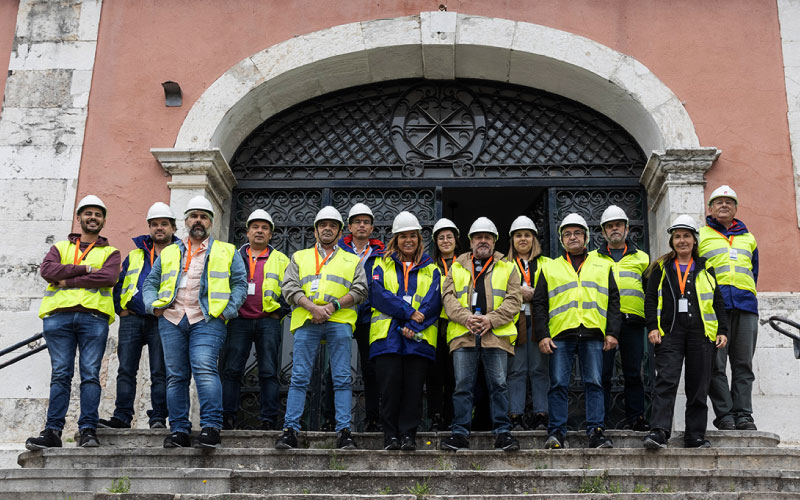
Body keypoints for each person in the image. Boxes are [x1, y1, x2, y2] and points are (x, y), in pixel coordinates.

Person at [143, 195, 248, 449]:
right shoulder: (169, 251)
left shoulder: (227, 250)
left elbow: (240, 284)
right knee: (176, 376)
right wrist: (153, 307)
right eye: (194, 216)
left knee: (204, 369)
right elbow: (150, 283)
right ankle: (179, 430)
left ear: (210, 222)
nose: (198, 221)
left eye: (203, 216)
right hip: (172, 318)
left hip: (207, 319)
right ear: (186, 221)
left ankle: (211, 427)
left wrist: (227, 311)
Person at [26, 195, 121, 450]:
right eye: (88, 213)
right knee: (60, 375)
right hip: (58, 317)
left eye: (98, 214)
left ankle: (87, 430)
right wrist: (85, 270)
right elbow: (47, 271)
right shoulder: (59, 247)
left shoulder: (111, 252)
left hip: (94, 318)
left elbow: (109, 277)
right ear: (78, 218)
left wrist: (67, 279)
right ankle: (53, 432)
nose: (93, 218)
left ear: (103, 221)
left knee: (90, 375)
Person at [275, 206, 368, 450]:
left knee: (342, 378)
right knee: (299, 377)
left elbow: (360, 290)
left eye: (333, 225)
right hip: (307, 321)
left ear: (339, 232)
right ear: (315, 230)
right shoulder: (299, 257)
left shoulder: (352, 259)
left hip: (338, 322)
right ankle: (290, 430)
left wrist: (331, 307)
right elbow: (289, 288)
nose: (327, 228)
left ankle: (344, 432)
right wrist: (313, 308)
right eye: (323, 225)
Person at [533, 213, 620, 450]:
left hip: (593, 333)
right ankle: (557, 432)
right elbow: (539, 304)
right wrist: (542, 335)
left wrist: (612, 332)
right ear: (562, 240)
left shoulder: (603, 265)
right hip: (561, 334)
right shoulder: (549, 267)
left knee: (594, 382)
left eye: (577, 233)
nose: (573, 237)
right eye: (568, 234)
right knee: (558, 383)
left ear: (586, 237)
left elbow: (614, 301)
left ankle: (596, 431)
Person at [643, 215, 729, 449]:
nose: (682, 241)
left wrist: (722, 329)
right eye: (677, 237)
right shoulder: (661, 267)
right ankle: (659, 431)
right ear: (672, 241)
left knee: (699, 385)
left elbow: (717, 301)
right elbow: (650, 299)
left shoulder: (705, 267)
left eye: (686, 236)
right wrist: (652, 326)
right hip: (670, 332)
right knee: (666, 382)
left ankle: (695, 436)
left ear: (694, 240)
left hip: (701, 333)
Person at [440, 217, 522, 452]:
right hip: (464, 334)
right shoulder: (456, 266)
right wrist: (466, 318)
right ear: (470, 242)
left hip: (495, 335)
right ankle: (459, 434)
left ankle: (503, 433)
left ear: (495, 242)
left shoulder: (508, 266)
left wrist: (490, 320)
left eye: (487, 237)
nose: (483, 241)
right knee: (463, 386)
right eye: (478, 237)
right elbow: (447, 298)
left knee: (499, 385)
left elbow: (514, 299)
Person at [99, 202, 178, 430]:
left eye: (164, 224)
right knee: (126, 370)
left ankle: (158, 418)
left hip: (161, 319)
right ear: (149, 227)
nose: (159, 228)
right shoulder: (135, 254)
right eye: (154, 224)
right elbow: (121, 282)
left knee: (159, 372)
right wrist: (121, 310)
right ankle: (122, 417)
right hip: (132, 318)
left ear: (173, 228)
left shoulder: (179, 253)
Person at [369, 211, 441, 450]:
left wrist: (413, 326)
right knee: (390, 388)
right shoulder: (381, 262)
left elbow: (433, 300)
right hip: (387, 337)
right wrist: (409, 312)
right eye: (403, 236)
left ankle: (408, 435)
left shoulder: (432, 268)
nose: (408, 240)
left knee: (413, 389)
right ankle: (390, 435)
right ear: (395, 239)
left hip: (418, 338)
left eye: (413, 236)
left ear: (419, 239)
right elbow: (378, 295)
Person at [221, 209, 290, 431]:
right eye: (255, 227)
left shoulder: (281, 259)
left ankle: (268, 419)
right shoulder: (233, 255)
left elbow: (291, 288)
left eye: (265, 228)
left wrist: (279, 312)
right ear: (247, 232)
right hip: (238, 320)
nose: (259, 231)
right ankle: (227, 417)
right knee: (232, 370)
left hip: (268, 321)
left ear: (271, 235)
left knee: (269, 371)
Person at [700, 185, 760, 431]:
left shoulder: (749, 238)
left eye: (729, 202)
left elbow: (753, 271)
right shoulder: (701, 236)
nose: (724, 205)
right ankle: (724, 415)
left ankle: (744, 414)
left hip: (746, 306)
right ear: (710, 208)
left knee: (743, 363)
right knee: (716, 363)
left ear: (736, 208)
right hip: (716, 309)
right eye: (718, 202)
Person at [591, 205, 650, 431]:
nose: (614, 229)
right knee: (602, 373)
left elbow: (651, 293)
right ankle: (600, 419)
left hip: (633, 322)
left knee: (634, 372)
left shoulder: (642, 258)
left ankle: (637, 418)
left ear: (627, 229)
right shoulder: (592, 258)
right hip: (603, 323)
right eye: (609, 226)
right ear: (603, 232)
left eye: (618, 225)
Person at [334, 202, 384, 432]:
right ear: (350, 227)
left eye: (366, 222)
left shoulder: (382, 254)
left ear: (372, 228)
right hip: (342, 313)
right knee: (335, 368)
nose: (362, 226)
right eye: (357, 222)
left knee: (371, 369)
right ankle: (330, 419)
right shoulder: (338, 251)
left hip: (369, 317)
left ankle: (373, 418)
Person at [504, 215, 551, 431]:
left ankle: (541, 414)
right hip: (514, 321)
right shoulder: (503, 265)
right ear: (512, 240)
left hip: (540, 320)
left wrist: (536, 293)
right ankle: (516, 416)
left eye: (527, 235)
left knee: (540, 369)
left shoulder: (547, 264)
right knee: (517, 369)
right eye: (518, 235)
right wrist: (518, 291)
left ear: (534, 239)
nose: (523, 239)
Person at [426, 218, 460, 431]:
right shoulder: (430, 265)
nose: (445, 241)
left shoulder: (465, 263)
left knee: (455, 374)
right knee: (434, 373)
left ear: (456, 240)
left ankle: (453, 416)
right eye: (441, 238)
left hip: (457, 325)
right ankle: (435, 416)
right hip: (434, 324)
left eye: (449, 237)